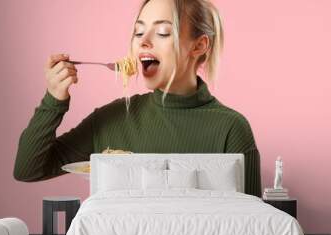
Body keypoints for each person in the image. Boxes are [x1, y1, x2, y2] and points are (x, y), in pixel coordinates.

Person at [13, 0, 262, 197]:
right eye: (138, 31)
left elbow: (253, 224)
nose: (143, 42)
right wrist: (54, 100)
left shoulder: (231, 128)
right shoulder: (113, 118)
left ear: (198, 46)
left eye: (163, 32)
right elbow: (29, 169)